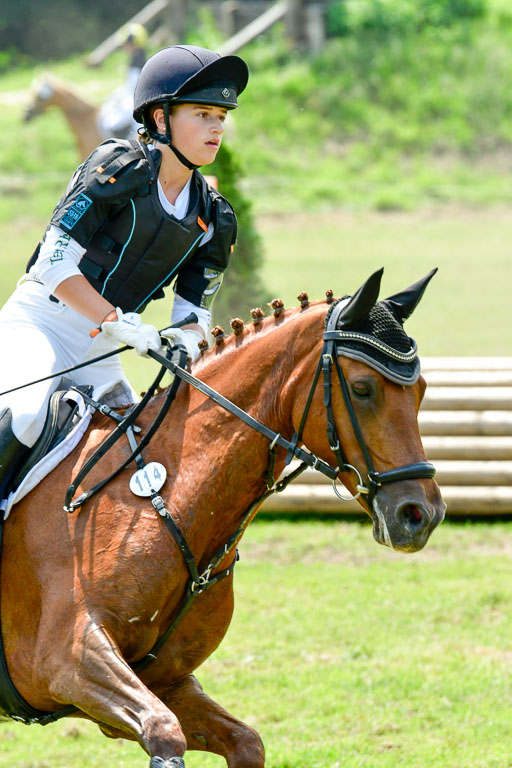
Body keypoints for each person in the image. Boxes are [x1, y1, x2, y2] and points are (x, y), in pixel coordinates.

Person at [0, 44, 249, 499]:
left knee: (139, 451)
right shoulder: (116, 168)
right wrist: (117, 322)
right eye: (202, 114)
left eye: (221, 116)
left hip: (100, 349)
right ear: (160, 118)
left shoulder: (215, 219)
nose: (216, 127)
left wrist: (184, 341)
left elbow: (195, 313)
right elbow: (52, 264)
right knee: (27, 413)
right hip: (41, 323)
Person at [97, 23, 149, 140]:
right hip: (135, 96)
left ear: (134, 44)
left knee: (111, 124)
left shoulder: (138, 61)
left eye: (127, 44)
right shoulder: (138, 58)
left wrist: (115, 96)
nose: (125, 47)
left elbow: (132, 87)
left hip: (136, 98)